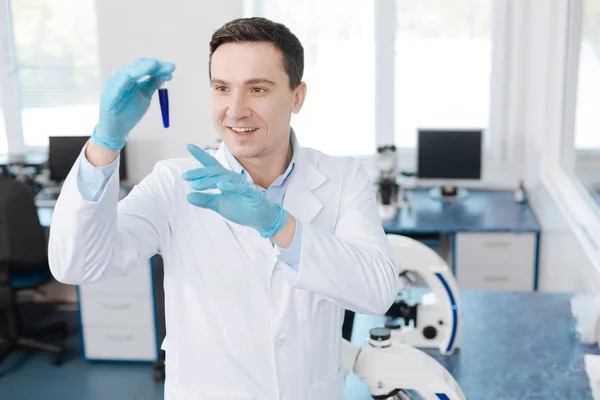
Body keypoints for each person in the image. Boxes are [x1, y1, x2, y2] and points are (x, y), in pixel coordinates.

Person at [48, 17, 399, 400]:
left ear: (297, 96)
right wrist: (105, 142)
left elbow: (377, 292)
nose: (235, 110)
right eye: (222, 88)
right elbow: (77, 264)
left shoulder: (342, 178)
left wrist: (278, 225)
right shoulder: (174, 183)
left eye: (258, 89)